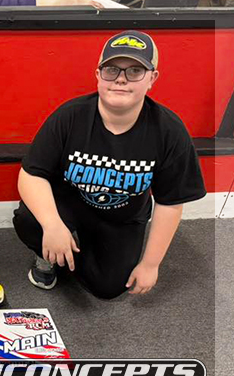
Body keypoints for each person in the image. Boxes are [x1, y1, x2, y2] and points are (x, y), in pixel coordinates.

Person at [13, 30, 206, 299]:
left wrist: (151, 265)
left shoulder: (169, 131)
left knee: (109, 288)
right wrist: (53, 226)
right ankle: (49, 254)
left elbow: (170, 202)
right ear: (98, 75)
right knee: (31, 221)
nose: (121, 79)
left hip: (122, 217)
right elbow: (31, 174)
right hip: (69, 205)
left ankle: (75, 250)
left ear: (152, 78)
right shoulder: (69, 116)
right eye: (111, 70)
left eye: (135, 71)